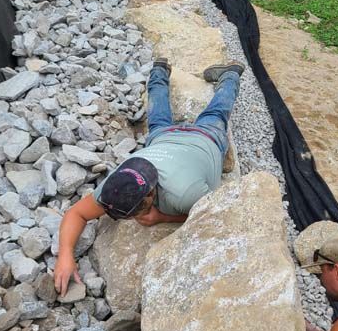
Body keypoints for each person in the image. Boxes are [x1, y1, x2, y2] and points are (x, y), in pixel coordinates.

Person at [54, 59, 244, 295]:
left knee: (216, 113)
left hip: (206, 138)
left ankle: (231, 75)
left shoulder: (185, 193)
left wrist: (162, 217)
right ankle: (160, 69)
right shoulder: (118, 180)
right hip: (164, 139)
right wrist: (65, 255)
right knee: (159, 119)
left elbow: (217, 216)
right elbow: (77, 212)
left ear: (152, 193)